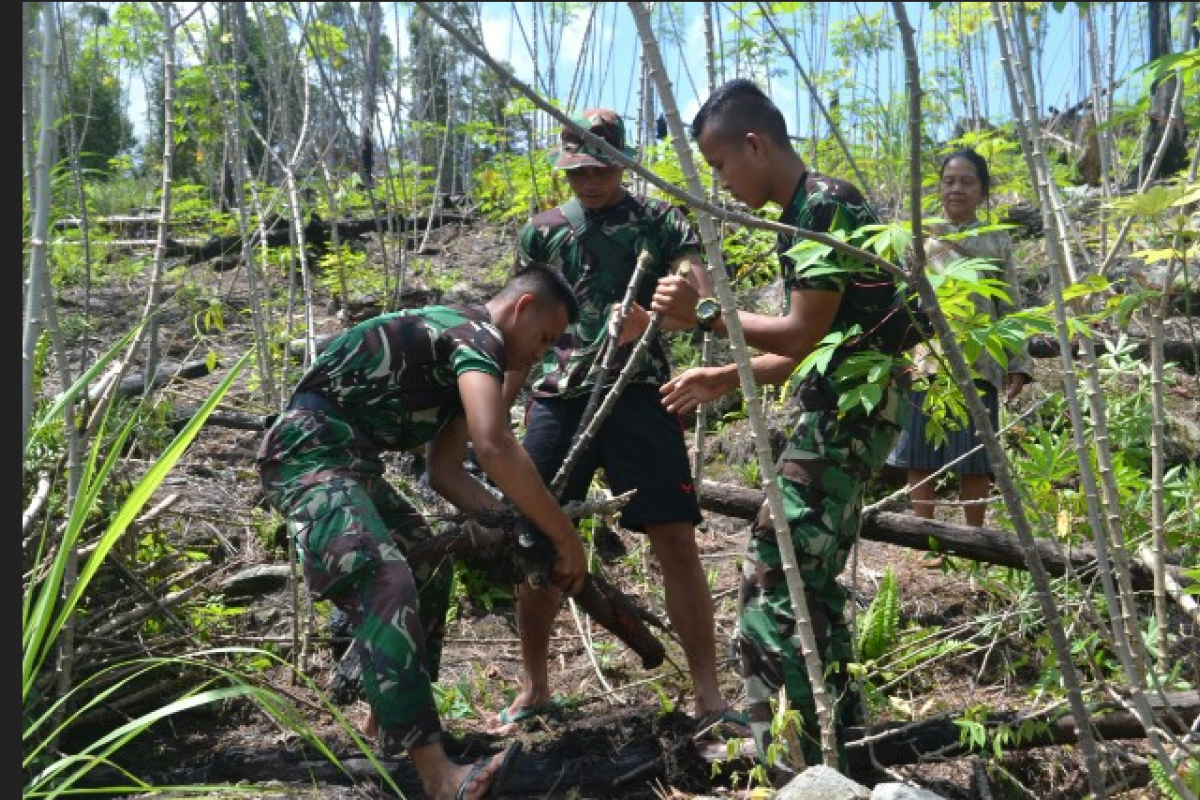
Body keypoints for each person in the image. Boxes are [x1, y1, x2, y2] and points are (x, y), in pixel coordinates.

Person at [650, 79, 907, 771]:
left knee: (773, 568)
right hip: (851, 407)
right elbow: (816, 343)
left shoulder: (821, 204)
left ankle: (784, 756)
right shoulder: (810, 206)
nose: (723, 183)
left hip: (852, 414)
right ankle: (839, 745)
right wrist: (722, 375)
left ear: (755, 144)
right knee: (811, 584)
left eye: (722, 166)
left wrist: (705, 313)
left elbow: (801, 330)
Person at [256, 264, 585, 800]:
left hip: (353, 465)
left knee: (429, 567)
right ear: (522, 309)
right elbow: (494, 444)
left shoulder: (465, 354)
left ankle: (386, 730)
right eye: (545, 339)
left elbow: (447, 472)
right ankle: (437, 777)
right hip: (308, 453)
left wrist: (517, 529)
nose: (539, 356)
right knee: (387, 579)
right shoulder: (475, 334)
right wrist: (564, 536)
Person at [495, 108, 734, 735]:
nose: (588, 181)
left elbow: (703, 305)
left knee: (675, 535)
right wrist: (494, 408)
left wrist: (655, 321)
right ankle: (534, 687)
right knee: (535, 541)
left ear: (622, 163)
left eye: (600, 169)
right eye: (576, 170)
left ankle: (708, 693)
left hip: (639, 391)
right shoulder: (541, 233)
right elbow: (518, 334)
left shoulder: (660, 222)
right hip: (556, 396)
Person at [886, 149, 1032, 547]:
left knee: (976, 455)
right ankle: (923, 537)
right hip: (925, 359)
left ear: (983, 191)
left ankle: (974, 540)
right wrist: (896, 356)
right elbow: (901, 302)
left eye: (967, 182)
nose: (956, 189)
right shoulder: (918, 238)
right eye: (949, 181)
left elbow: (1010, 305)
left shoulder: (996, 240)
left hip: (981, 361)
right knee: (918, 452)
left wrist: (1017, 363)